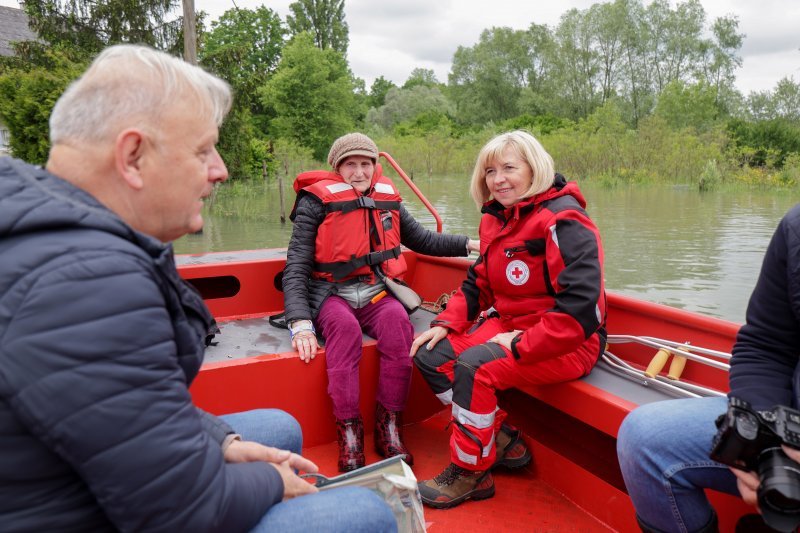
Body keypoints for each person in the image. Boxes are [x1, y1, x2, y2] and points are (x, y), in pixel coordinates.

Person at [0, 44, 396, 532]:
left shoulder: (49, 218)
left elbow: (129, 409)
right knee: (367, 515)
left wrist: (221, 442)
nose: (221, 169)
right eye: (203, 149)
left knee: (280, 428)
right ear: (132, 156)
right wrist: (274, 483)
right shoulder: (88, 284)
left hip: (63, 473)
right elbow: (179, 510)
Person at [410, 130, 607, 509]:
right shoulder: (496, 219)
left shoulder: (564, 219)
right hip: (511, 324)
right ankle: (499, 441)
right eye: (489, 171)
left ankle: (471, 472)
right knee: (430, 354)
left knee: (474, 366)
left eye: (509, 168)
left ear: (535, 169)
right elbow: (479, 282)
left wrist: (519, 343)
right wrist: (446, 323)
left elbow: (583, 308)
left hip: (568, 340)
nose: (497, 179)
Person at [282, 132, 480, 472]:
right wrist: (300, 323)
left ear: (375, 167)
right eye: (351, 165)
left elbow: (422, 240)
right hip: (331, 294)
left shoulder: (388, 198)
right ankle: (350, 431)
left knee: (398, 324)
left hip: (374, 290)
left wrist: (470, 245)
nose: (359, 172)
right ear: (337, 168)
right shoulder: (315, 202)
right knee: (344, 331)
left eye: (366, 164)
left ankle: (389, 426)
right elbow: (296, 265)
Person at [617, 204, 800, 533]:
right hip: (789, 419)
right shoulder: (797, 228)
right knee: (643, 439)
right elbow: (766, 345)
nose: (499, 179)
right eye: (490, 171)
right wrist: (764, 434)